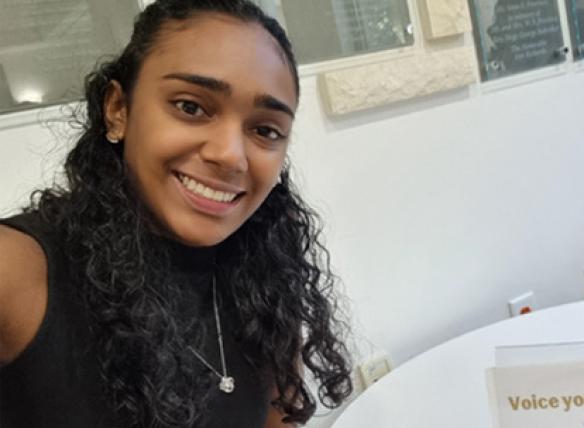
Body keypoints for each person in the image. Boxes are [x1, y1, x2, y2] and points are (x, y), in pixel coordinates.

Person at [0, 1, 352, 427]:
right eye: (191, 107)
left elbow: (280, 418)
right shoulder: (18, 271)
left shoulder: (266, 260)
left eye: (265, 130)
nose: (230, 156)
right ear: (118, 109)